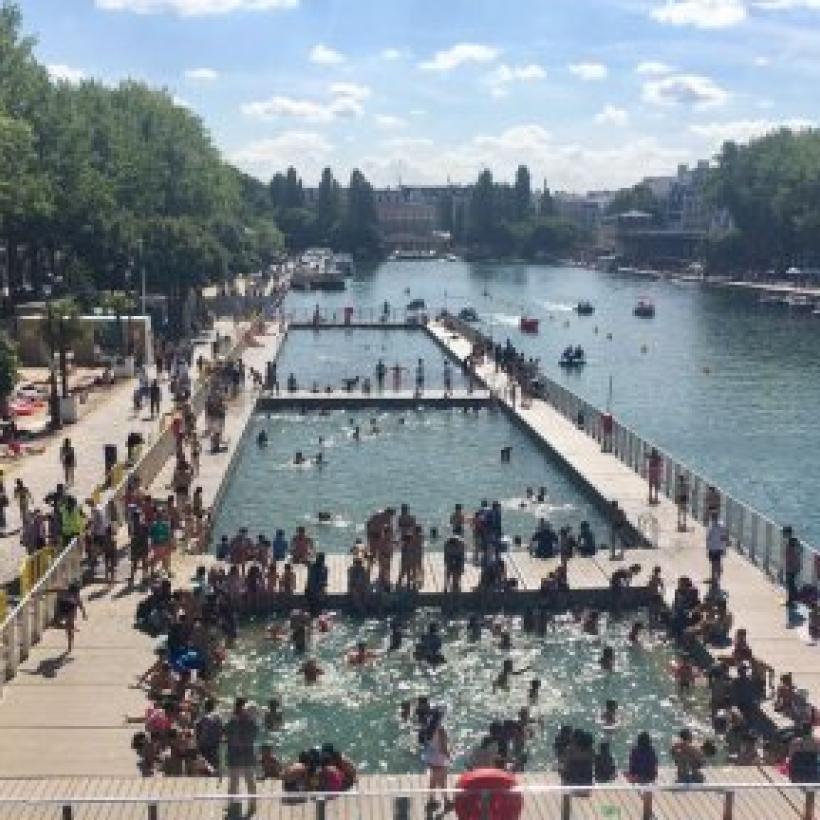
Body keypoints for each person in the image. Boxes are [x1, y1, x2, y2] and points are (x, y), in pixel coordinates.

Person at [224, 698, 258, 816]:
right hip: (247, 754)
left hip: (234, 755)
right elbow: (254, 737)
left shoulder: (232, 722)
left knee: (234, 782)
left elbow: (226, 733)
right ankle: (253, 804)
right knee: (250, 781)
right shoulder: (252, 723)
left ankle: (232, 804)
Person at [42, 581, 87, 653]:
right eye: (74, 594)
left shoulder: (76, 597)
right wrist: (44, 591)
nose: (75, 595)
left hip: (71, 608)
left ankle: (70, 642)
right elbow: (53, 590)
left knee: (69, 624)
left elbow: (80, 605)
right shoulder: (62, 591)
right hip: (61, 607)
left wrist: (84, 614)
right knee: (55, 624)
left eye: (76, 594)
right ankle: (69, 627)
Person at [421, 709, 451, 811]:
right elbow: (443, 747)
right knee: (442, 780)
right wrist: (449, 756)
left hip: (431, 757)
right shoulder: (440, 729)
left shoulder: (428, 728)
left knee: (433, 779)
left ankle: (431, 800)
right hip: (439, 758)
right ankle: (446, 801)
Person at [706, 511, 728, 587]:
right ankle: (714, 578)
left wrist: (707, 547)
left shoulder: (711, 526)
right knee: (715, 563)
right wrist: (724, 548)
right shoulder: (721, 525)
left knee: (714, 563)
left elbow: (708, 538)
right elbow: (724, 538)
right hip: (718, 547)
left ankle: (715, 578)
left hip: (714, 548)